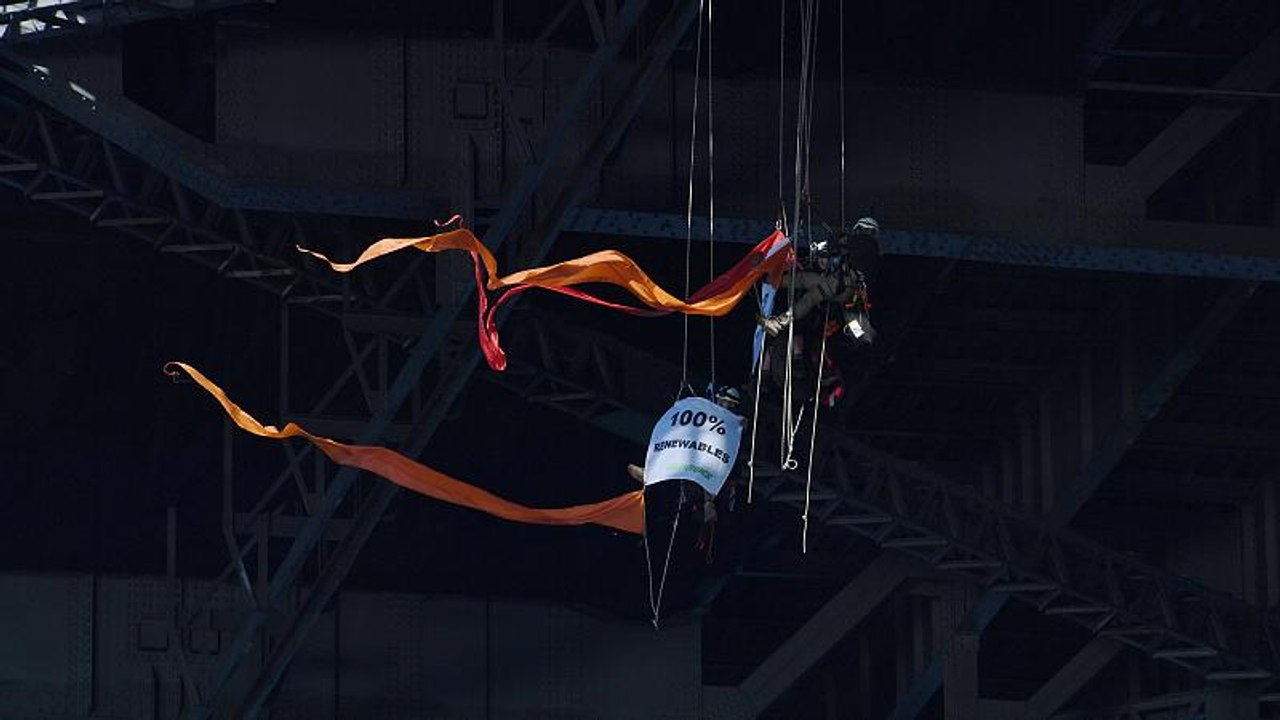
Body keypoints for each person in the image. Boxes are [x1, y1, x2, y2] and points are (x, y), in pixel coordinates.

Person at [758, 216, 880, 345]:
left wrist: (829, 242)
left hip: (841, 284)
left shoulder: (864, 243)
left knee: (810, 296)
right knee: (805, 279)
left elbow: (839, 242)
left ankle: (778, 320)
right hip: (842, 288)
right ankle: (771, 280)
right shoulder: (870, 251)